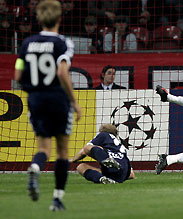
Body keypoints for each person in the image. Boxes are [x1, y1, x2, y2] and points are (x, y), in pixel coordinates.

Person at [14, 0, 81, 211]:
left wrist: (34, 91)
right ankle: (57, 199)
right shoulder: (63, 43)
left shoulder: (26, 44)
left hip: (35, 99)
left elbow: (17, 75)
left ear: (39, 19)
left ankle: (35, 166)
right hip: (58, 99)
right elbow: (62, 72)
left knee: (43, 148)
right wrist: (74, 101)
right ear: (59, 18)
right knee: (62, 151)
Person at [71, 124, 135, 184]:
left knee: (81, 165)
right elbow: (131, 175)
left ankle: (101, 175)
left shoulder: (104, 135)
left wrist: (72, 160)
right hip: (121, 174)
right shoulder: (122, 149)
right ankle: (105, 178)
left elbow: (83, 152)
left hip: (110, 163)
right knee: (97, 155)